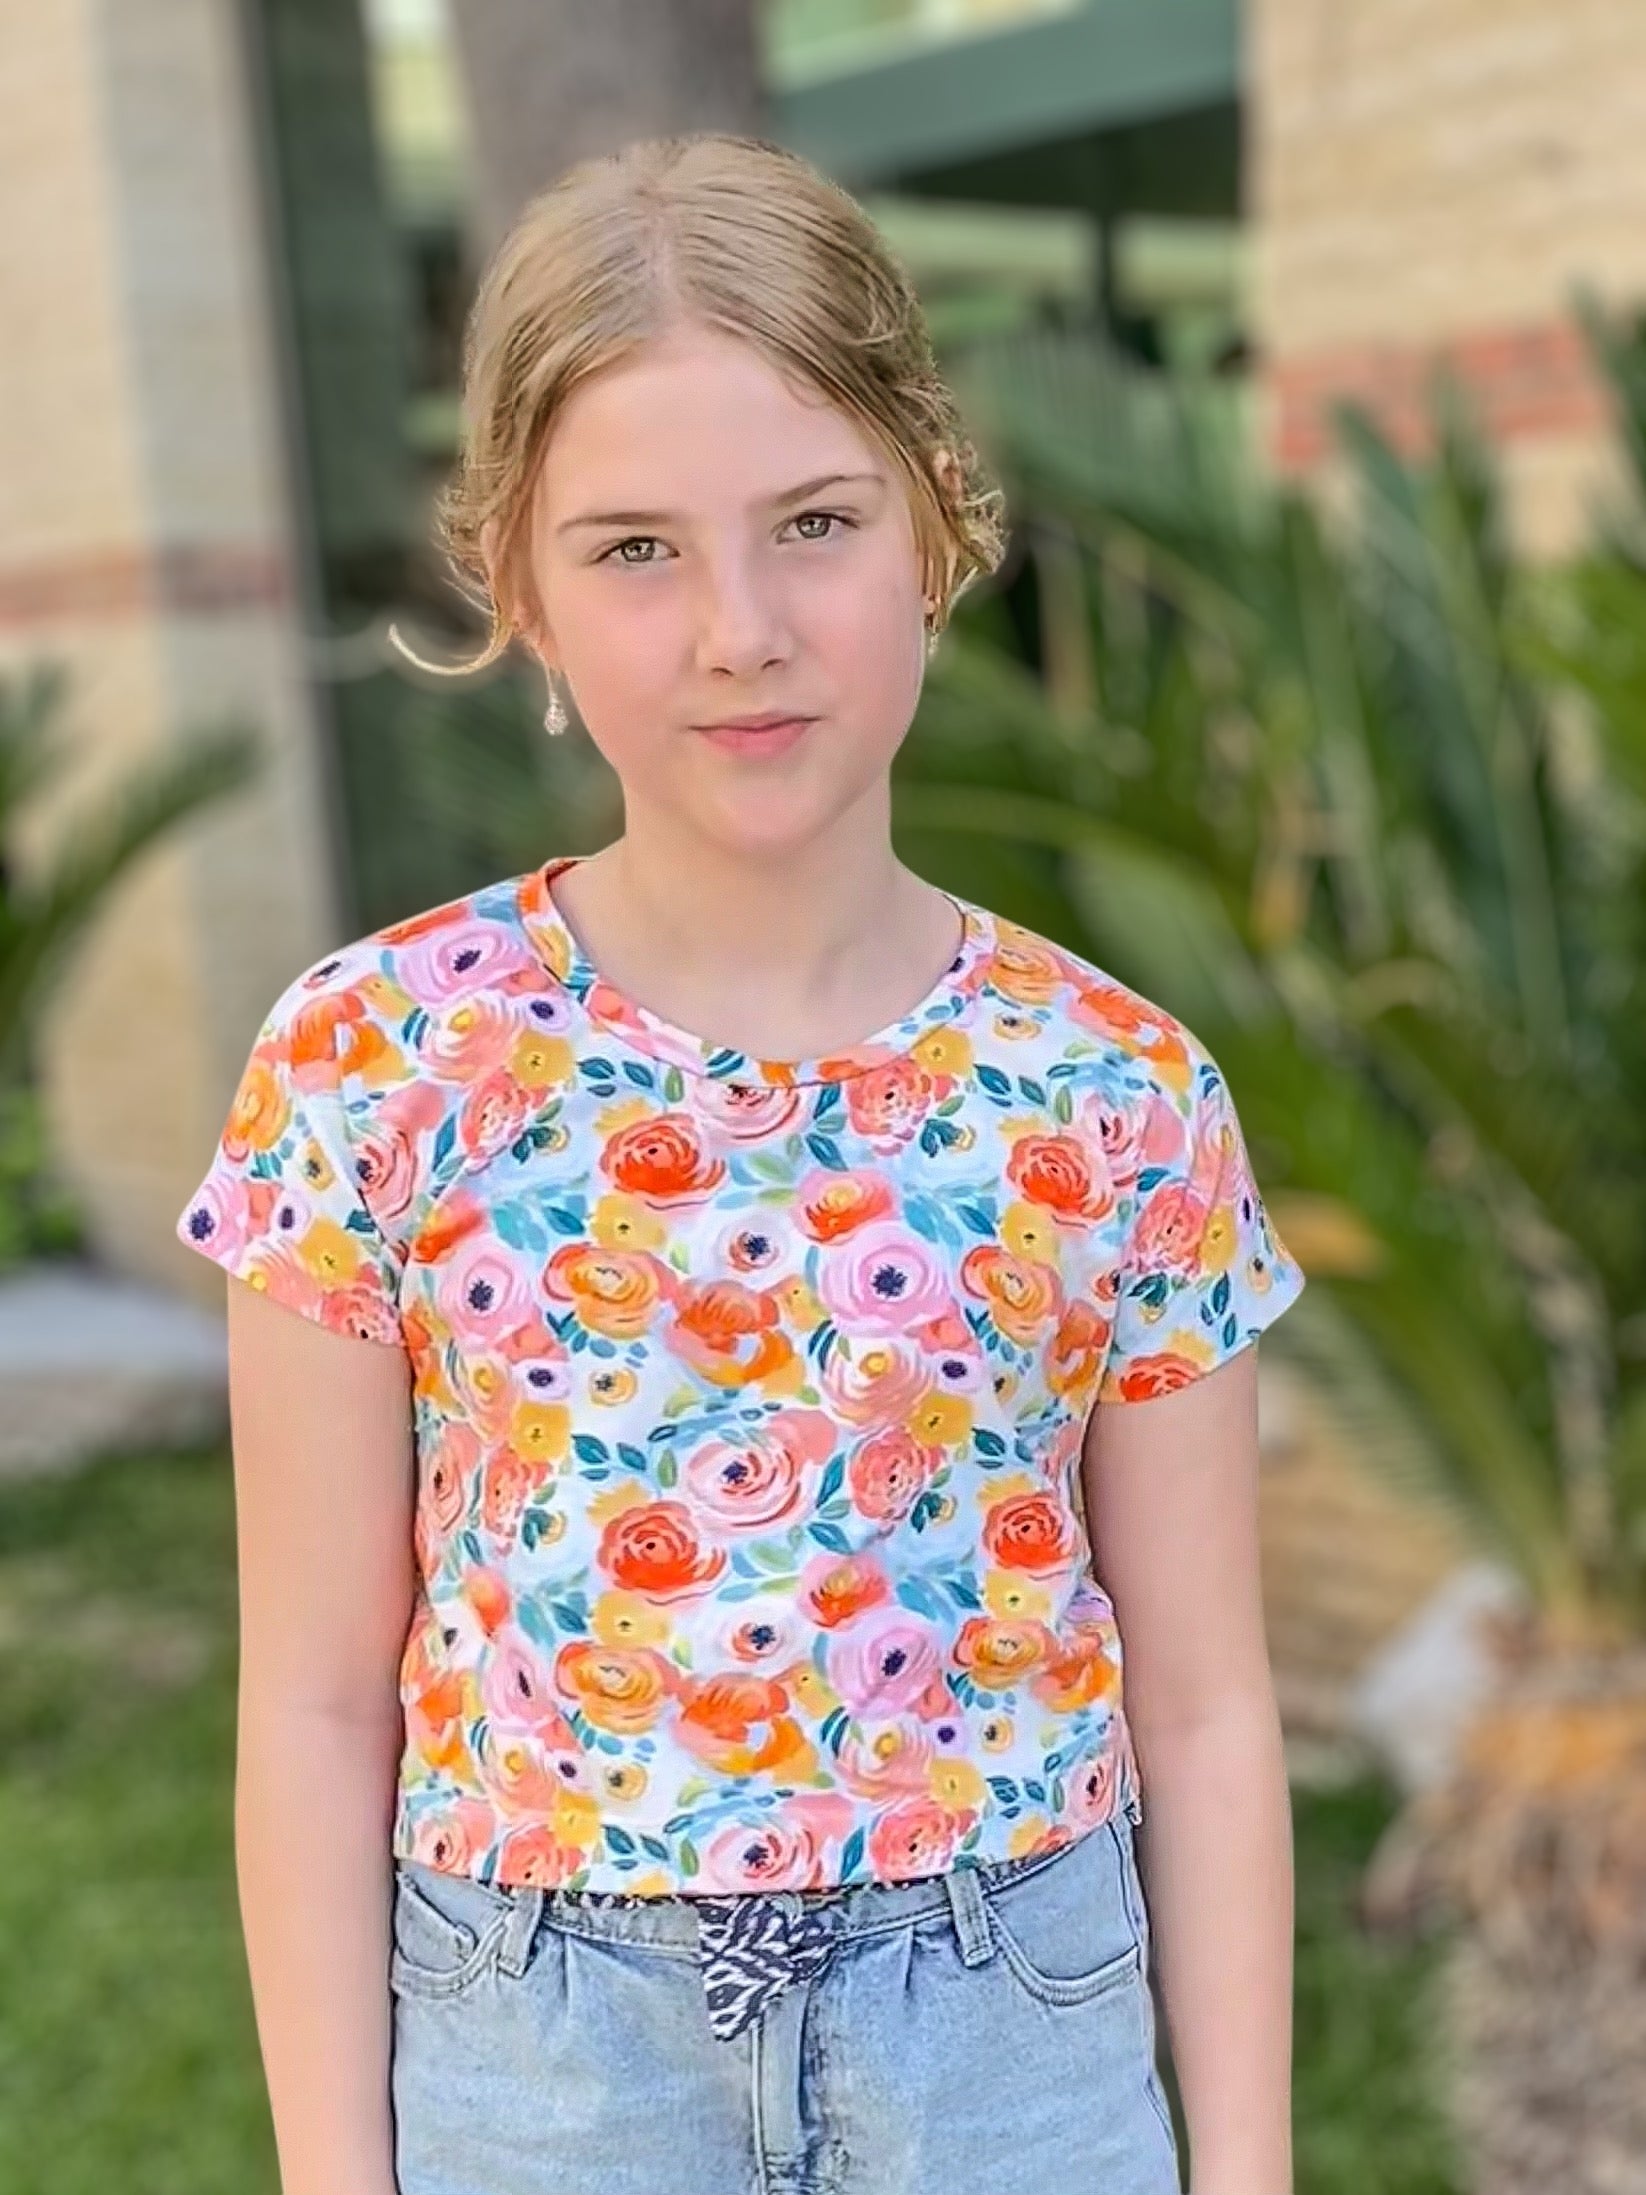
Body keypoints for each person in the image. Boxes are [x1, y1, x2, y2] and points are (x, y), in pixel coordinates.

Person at [175, 131, 1306, 2195]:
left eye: (812, 523)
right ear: (510, 576)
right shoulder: (372, 1063)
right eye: (633, 550)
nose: (740, 630)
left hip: (1015, 2048)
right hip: (538, 2059)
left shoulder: (1120, 1094)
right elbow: (318, 1707)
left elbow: (1215, 1713)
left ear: (938, 528)